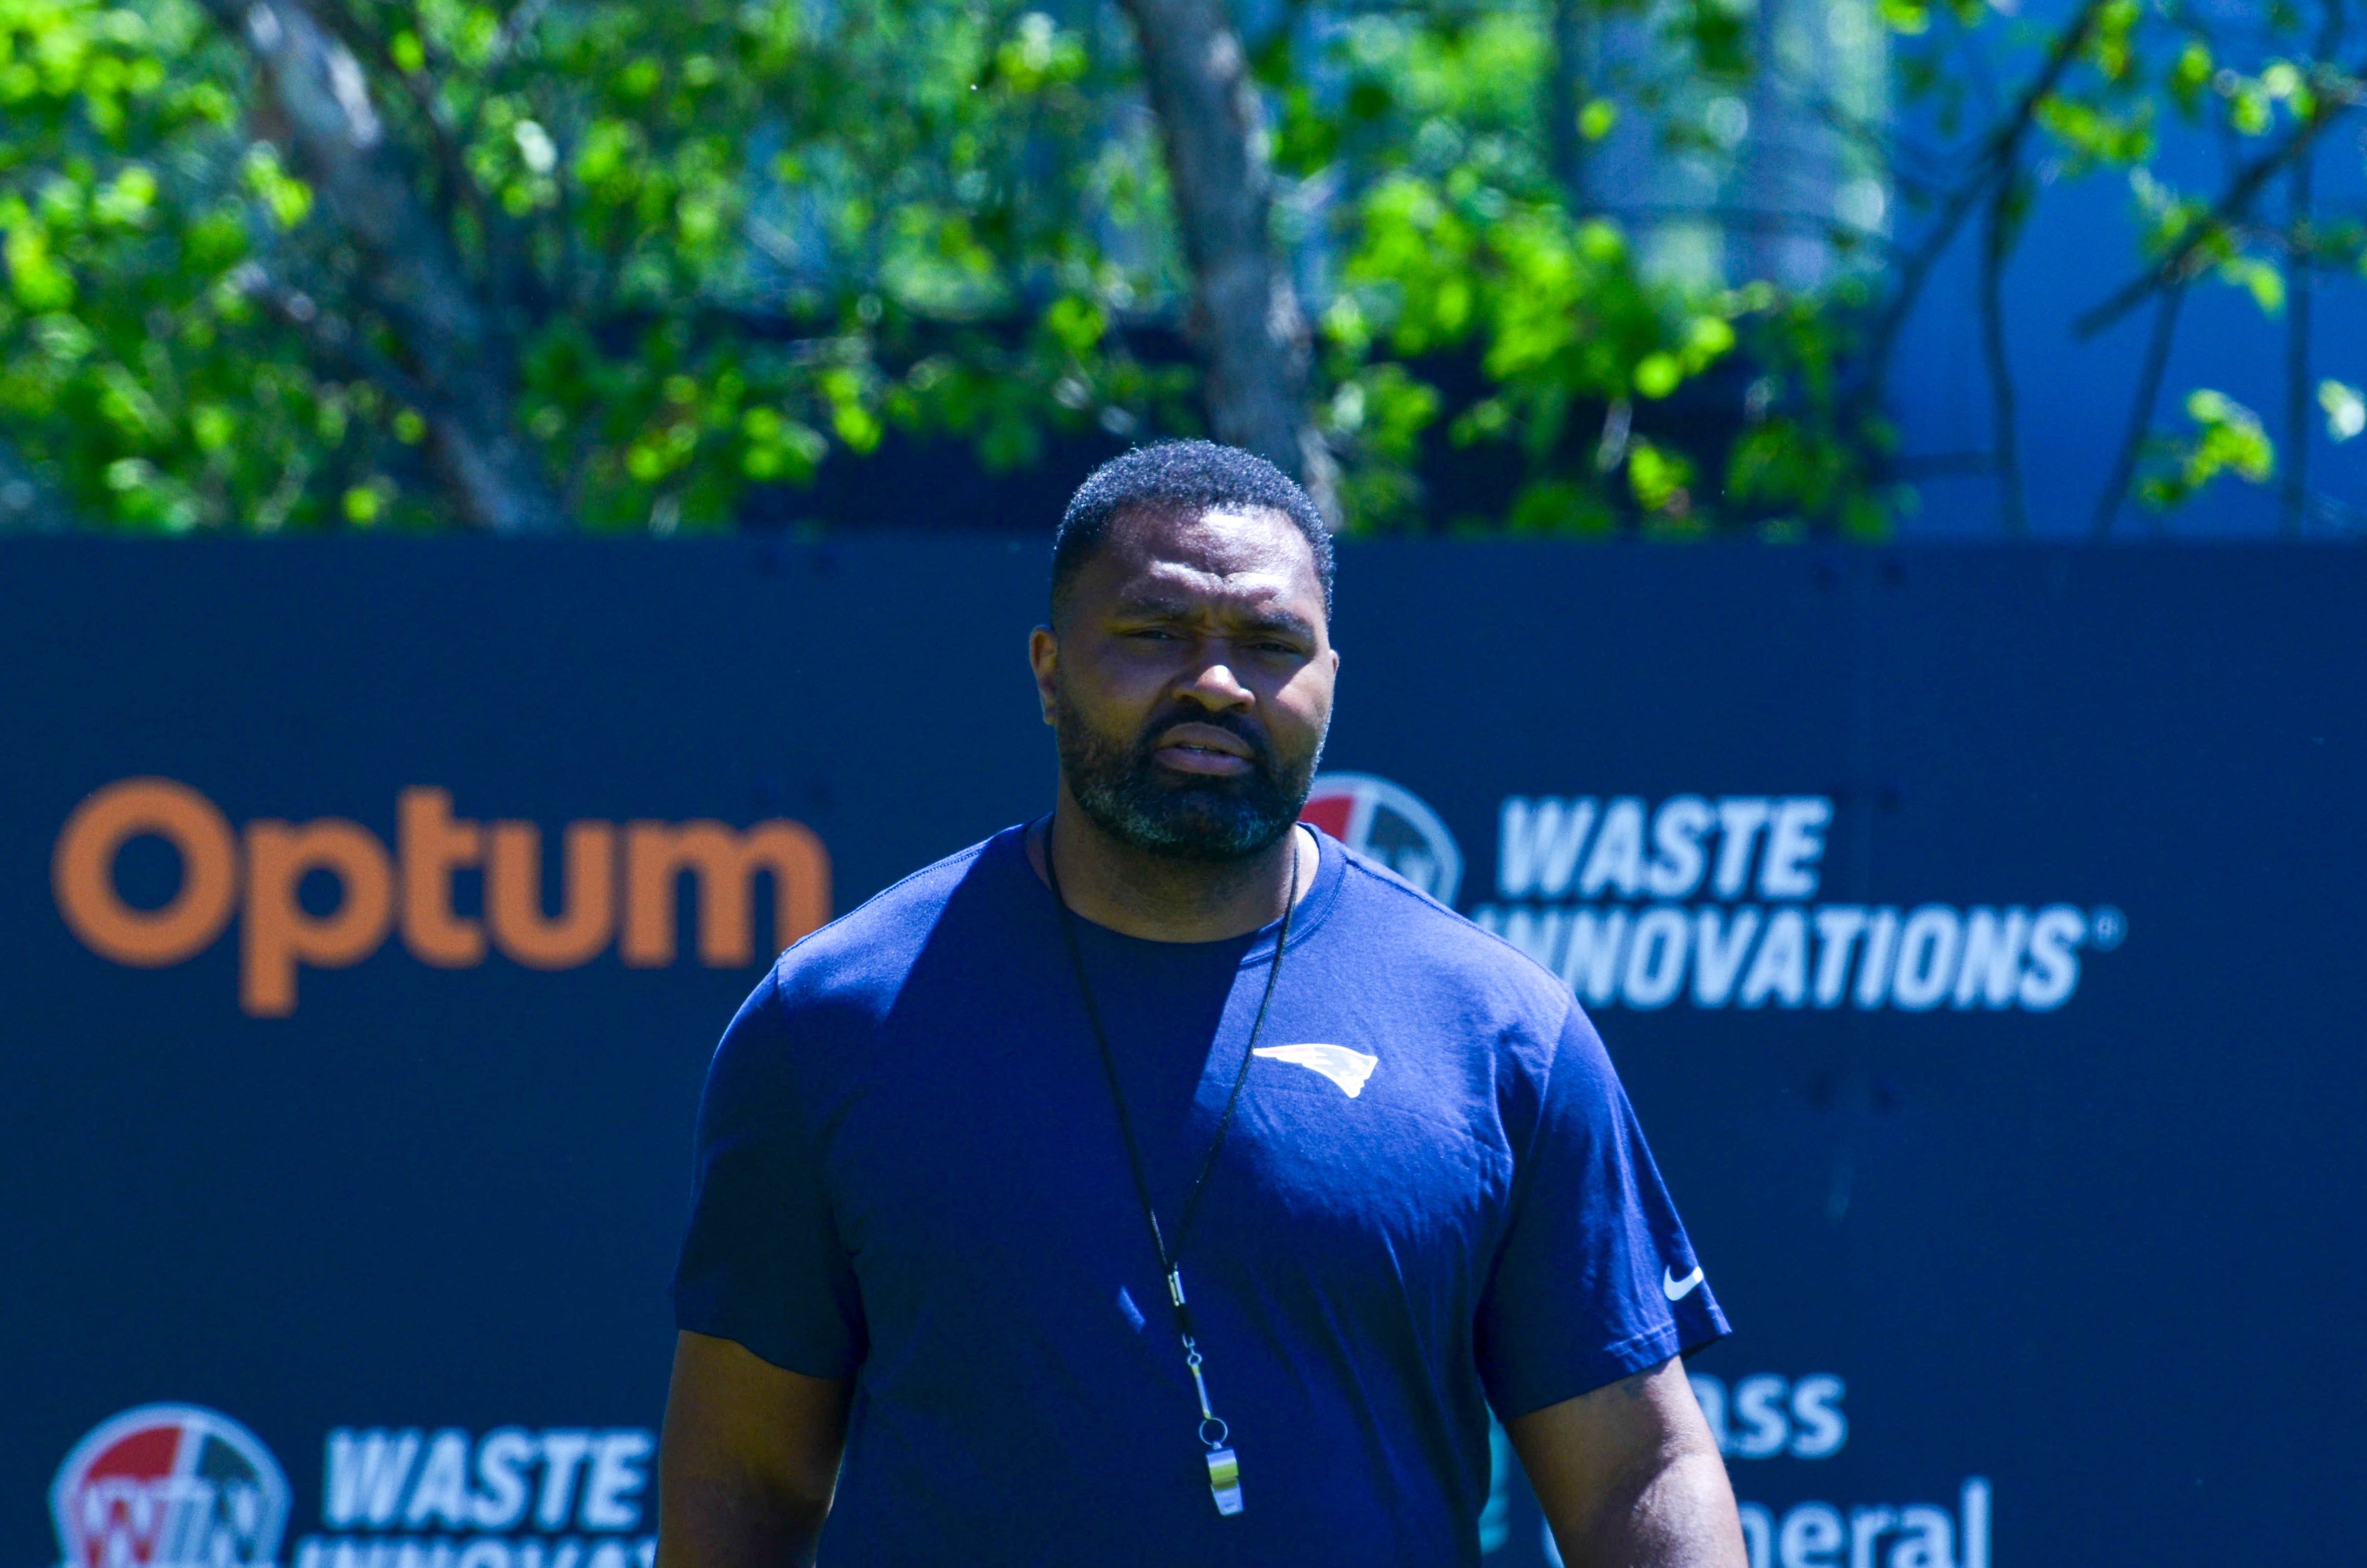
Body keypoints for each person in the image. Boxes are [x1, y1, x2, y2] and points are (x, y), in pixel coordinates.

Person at [658, 440, 1744, 1566]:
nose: (1217, 682)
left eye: (1271, 645)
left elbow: (1634, 1467)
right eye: (1153, 632)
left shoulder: (1498, 1029)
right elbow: (744, 1475)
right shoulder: (833, 1020)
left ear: (1328, 680)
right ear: (1045, 668)